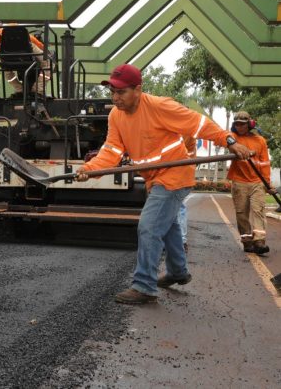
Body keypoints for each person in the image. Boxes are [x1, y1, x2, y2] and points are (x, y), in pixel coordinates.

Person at [76, 64, 251, 305]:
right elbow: (112, 150)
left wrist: (230, 140)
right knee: (168, 228)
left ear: (138, 89)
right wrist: (90, 169)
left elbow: (199, 124)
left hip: (175, 175)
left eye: (121, 92)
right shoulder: (116, 115)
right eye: (112, 92)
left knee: (148, 227)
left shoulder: (160, 106)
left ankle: (144, 285)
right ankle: (178, 272)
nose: (115, 98)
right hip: (154, 178)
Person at [226, 110, 276, 255]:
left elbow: (265, 164)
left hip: (257, 182)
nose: (239, 127)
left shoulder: (260, 140)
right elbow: (226, 140)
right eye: (237, 124)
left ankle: (259, 241)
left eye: (242, 124)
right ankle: (247, 242)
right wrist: (233, 145)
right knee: (241, 213)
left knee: (258, 210)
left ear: (250, 124)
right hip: (239, 181)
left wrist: (267, 184)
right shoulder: (232, 137)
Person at [178, 135, 197, 253]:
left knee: (178, 208)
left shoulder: (186, 133)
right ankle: (180, 242)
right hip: (171, 174)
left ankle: (181, 242)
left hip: (180, 174)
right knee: (176, 209)